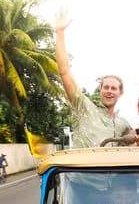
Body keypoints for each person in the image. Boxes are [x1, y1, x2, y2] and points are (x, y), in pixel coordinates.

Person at [55, 8, 133, 149]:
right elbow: (64, 71)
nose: (109, 91)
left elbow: (136, 146)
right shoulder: (83, 107)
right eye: (106, 87)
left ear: (120, 93)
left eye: (114, 88)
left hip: (110, 171)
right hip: (82, 170)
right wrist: (60, 33)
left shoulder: (124, 125)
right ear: (101, 90)